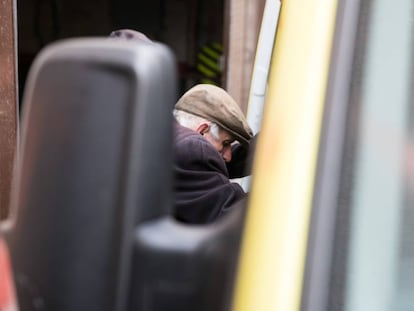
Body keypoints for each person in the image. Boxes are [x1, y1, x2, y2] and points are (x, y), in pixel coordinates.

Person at [173, 84, 254, 224]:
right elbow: (235, 215)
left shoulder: (171, 138)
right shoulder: (192, 149)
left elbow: (229, 159)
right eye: (226, 143)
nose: (227, 156)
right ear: (202, 130)